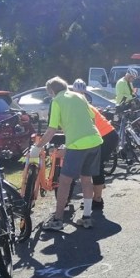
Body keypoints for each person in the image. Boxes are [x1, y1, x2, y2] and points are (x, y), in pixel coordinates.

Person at [34, 76, 103, 230]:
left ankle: (58, 220)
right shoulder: (80, 96)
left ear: (51, 91)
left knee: (65, 181)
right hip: (95, 140)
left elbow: (51, 130)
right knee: (86, 179)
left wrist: (38, 146)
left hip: (78, 144)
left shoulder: (57, 101)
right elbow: (91, 119)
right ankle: (86, 217)